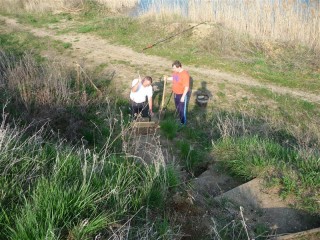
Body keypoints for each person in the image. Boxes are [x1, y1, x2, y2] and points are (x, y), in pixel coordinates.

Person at [164, 60, 190, 125]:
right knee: (177, 107)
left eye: (174, 68)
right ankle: (180, 118)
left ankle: (182, 123)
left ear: (179, 67)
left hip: (181, 94)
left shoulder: (185, 75)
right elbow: (175, 78)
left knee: (181, 109)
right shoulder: (176, 72)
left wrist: (183, 97)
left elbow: (186, 87)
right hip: (175, 93)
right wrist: (167, 78)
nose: (173, 69)